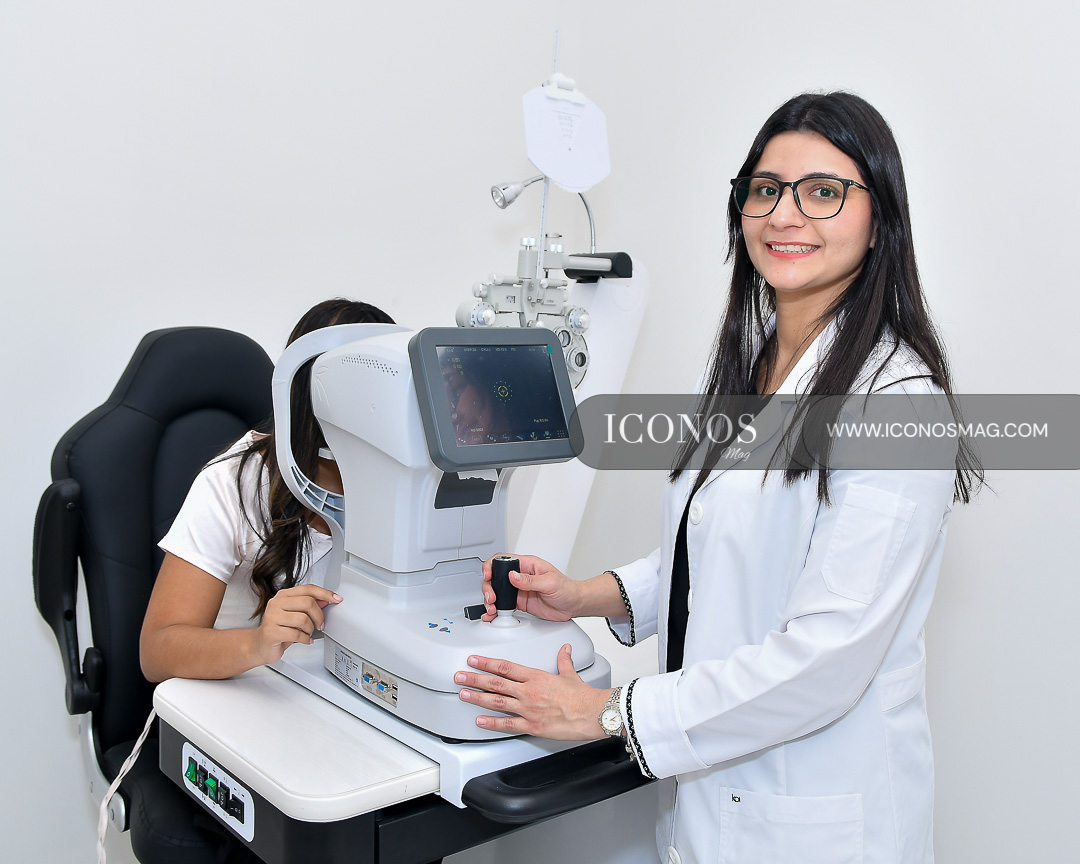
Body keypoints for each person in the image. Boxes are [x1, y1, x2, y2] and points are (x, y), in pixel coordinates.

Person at [454, 92, 981, 864]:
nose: (785, 215)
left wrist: (605, 712)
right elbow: (722, 547)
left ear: (881, 221)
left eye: (823, 191)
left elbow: (826, 658)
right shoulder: (757, 364)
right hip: (718, 798)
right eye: (765, 190)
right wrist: (583, 595)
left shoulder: (898, 405)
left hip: (816, 818)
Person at [140, 297, 395, 683]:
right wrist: (257, 643)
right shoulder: (234, 482)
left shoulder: (408, 484)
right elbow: (157, 652)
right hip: (237, 693)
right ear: (308, 392)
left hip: (337, 687)